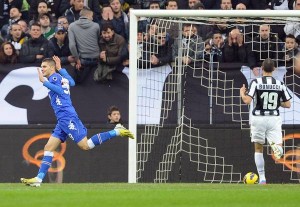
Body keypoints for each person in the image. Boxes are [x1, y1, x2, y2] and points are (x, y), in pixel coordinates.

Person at [20, 56, 134, 187]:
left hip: (67, 117)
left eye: (44, 66)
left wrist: (44, 82)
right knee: (48, 147)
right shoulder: (59, 77)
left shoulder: (54, 78)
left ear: (51, 67)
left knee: (85, 145)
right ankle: (38, 179)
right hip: (62, 119)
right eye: (42, 66)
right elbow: (72, 83)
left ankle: (116, 131)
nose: (42, 69)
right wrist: (61, 69)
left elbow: (62, 91)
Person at [240, 58, 292, 184]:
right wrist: (275, 103)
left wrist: (242, 93)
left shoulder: (256, 82)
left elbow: (247, 101)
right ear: (274, 70)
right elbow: (288, 104)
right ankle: (276, 148)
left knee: (258, 148)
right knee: (278, 152)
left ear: (261, 69)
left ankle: (262, 178)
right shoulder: (280, 84)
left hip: (258, 118)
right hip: (274, 118)